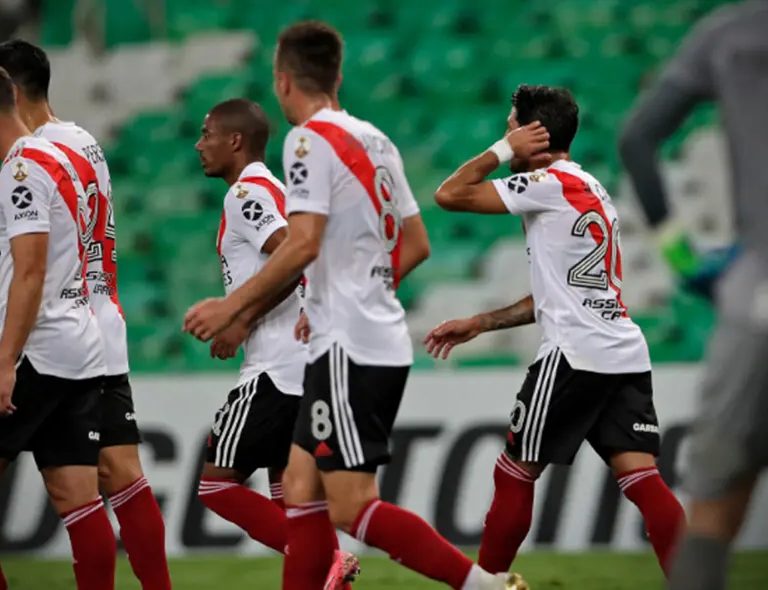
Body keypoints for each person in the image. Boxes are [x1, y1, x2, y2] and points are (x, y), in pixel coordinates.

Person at [184, 20, 533, 590]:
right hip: (361, 337)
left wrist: (235, 308)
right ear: (339, 75)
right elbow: (416, 244)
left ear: (282, 80)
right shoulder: (376, 139)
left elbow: (301, 243)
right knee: (298, 490)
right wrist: (359, 288)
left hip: (347, 344)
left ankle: (482, 586)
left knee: (352, 508)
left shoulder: (307, 140)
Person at [618, 2, 768, 589]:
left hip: (756, 296)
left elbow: (637, 139)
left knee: (715, 508)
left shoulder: (728, 32)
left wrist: (683, 260)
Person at [0, 40, 171, 590]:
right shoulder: (79, 142)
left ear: (1, 95)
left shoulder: (29, 159)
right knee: (95, 483)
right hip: (93, 319)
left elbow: (36, 267)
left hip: (49, 329)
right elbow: (59, 248)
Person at [428, 84, 686, 578]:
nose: (504, 135)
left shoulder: (545, 183)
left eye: (511, 127)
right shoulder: (591, 188)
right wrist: (480, 323)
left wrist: (504, 151)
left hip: (576, 355)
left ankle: (486, 588)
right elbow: (559, 294)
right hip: (622, 352)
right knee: (643, 479)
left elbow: (449, 194)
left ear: (532, 134)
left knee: (514, 472)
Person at [191, 97, 349, 570]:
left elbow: (294, 257)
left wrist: (238, 316)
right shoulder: (273, 189)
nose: (199, 146)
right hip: (302, 365)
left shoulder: (246, 194)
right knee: (292, 494)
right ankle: (325, 571)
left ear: (235, 141)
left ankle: (326, 562)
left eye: (207, 135)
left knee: (216, 484)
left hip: (276, 370)